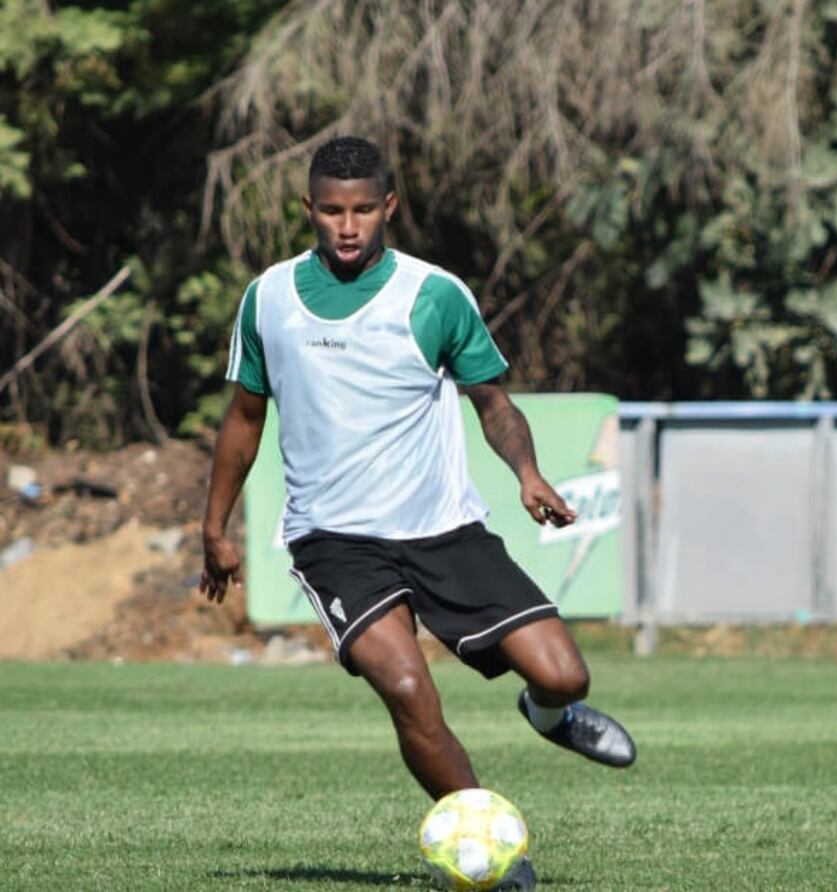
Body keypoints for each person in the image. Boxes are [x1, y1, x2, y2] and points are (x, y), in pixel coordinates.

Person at [199, 136, 636, 886]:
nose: (347, 225)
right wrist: (213, 526)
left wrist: (527, 473)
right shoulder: (267, 297)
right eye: (332, 211)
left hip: (443, 530)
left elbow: (492, 404)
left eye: (364, 209)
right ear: (308, 209)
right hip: (332, 540)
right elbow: (243, 417)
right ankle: (485, 847)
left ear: (388, 207)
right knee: (407, 689)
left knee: (565, 674)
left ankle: (549, 715)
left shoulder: (434, 294)